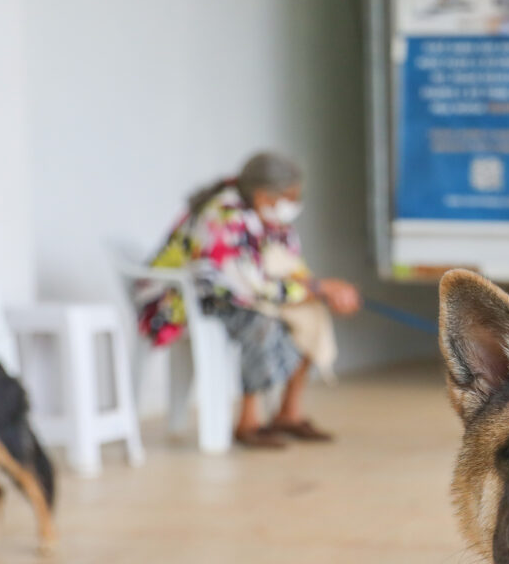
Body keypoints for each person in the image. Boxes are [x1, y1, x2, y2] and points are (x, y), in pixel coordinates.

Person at [138, 152, 360, 449]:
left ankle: (288, 413)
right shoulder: (223, 215)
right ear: (262, 194)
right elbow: (249, 288)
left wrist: (326, 293)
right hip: (189, 299)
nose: (293, 203)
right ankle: (248, 422)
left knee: (310, 313)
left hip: (238, 293)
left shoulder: (268, 218)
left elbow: (292, 269)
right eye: (288, 196)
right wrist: (318, 287)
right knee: (261, 322)